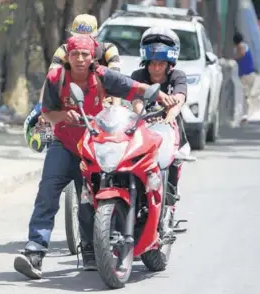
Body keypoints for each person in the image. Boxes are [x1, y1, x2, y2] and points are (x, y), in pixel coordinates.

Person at [14, 34, 178, 280]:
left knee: (90, 201)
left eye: (85, 54)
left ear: (93, 57)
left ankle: (92, 251)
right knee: (47, 195)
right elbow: (47, 113)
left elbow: (131, 87)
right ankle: (34, 252)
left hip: (93, 146)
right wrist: (62, 117)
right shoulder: (56, 78)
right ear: (68, 57)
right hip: (64, 145)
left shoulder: (101, 75)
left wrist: (157, 95)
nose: (80, 59)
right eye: (75, 54)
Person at [130, 27, 190, 206]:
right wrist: (140, 115)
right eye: (152, 63)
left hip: (170, 130)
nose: (156, 68)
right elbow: (136, 101)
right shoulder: (138, 76)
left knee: (170, 163)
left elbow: (179, 100)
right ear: (145, 62)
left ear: (170, 63)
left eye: (161, 64)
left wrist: (169, 117)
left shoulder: (177, 76)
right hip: (144, 129)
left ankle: (169, 204)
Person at [233, 32, 256, 124]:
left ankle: (244, 116)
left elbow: (241, 54)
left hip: (246, 75)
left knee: (244, 96)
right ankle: (244, 115)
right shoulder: (245, 45)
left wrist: (234, 59)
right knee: (245, 95)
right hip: (250, 74)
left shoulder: (240, 46)